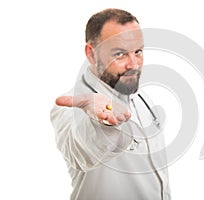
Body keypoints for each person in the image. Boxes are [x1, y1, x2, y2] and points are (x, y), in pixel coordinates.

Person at [50, 8, 171, 200]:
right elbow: (80, 151)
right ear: (91, 54)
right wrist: (102, 124)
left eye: (138, 51)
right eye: (120, 54)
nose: (134, 64)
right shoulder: (71, 106)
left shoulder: (140, 96)